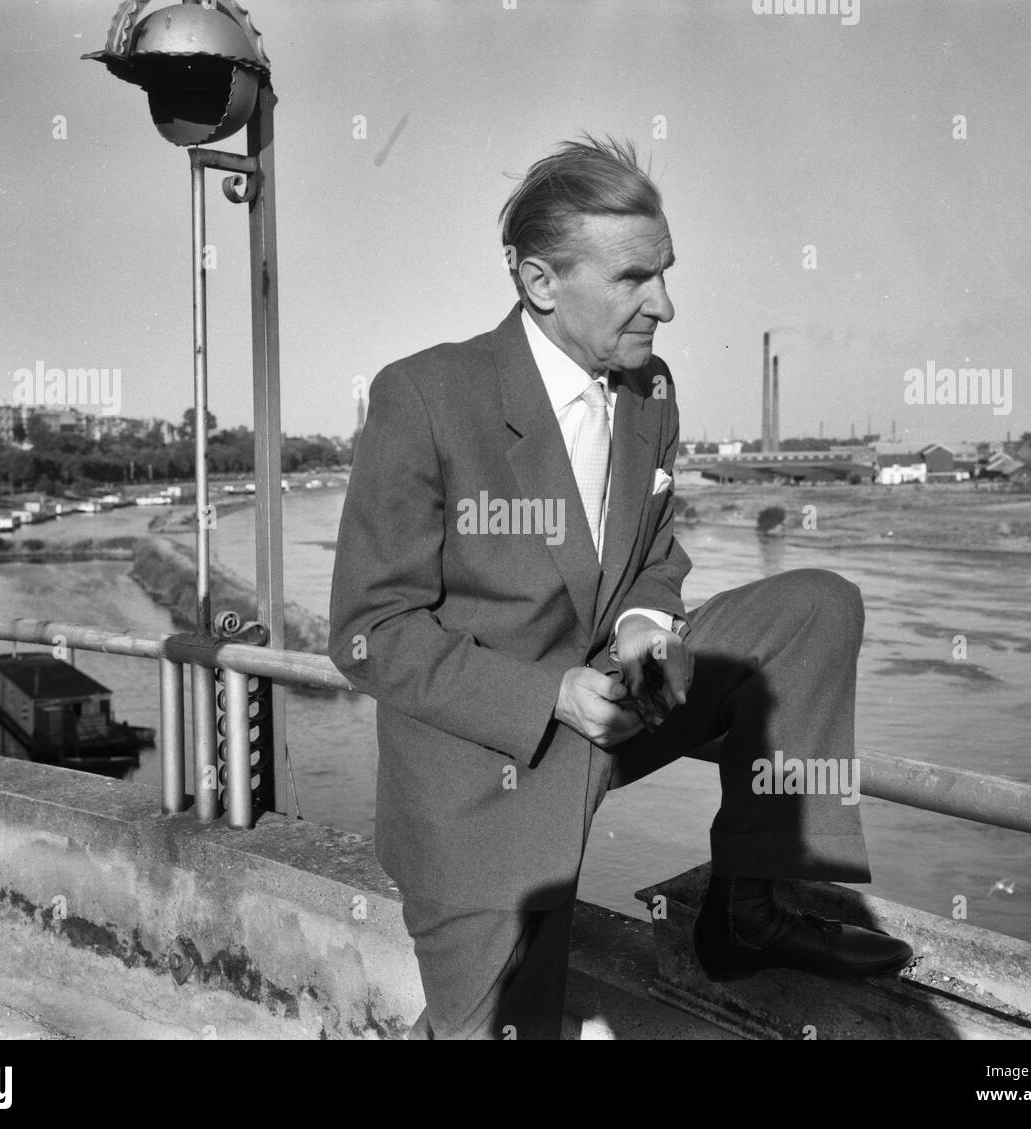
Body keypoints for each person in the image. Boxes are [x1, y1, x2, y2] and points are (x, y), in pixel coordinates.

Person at [329, 135, 911, 1040]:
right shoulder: (425, 398)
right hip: (490, 765)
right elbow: (370, 632)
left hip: (625, 699)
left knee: (816, 608)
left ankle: (750, 908)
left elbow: (656, 553)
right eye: (636, 278)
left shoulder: (651, 389)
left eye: (667, 272)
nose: (667, 305)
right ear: (540, 282)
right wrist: (551, 694)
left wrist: (645, 621)